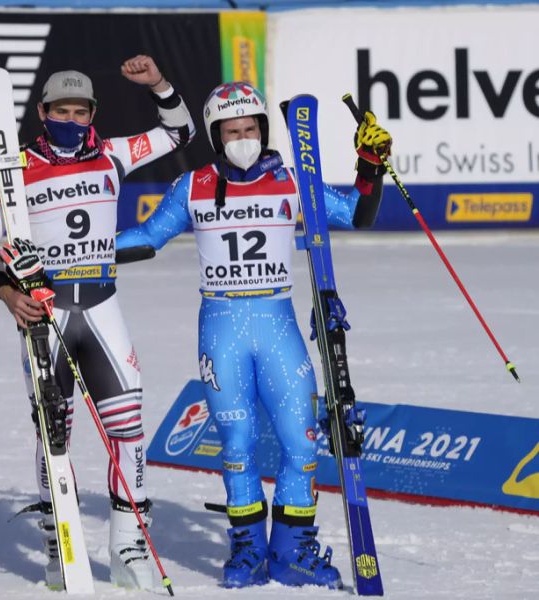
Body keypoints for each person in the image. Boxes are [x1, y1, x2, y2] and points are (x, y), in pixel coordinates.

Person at [116, 81, 391, 589]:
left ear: (263, 130)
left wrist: (370, 165)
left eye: (250, 128)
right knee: (237, 446)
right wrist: (80, 254)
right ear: (217, 136)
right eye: (230, 130)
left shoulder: (291, 180)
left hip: (277, 325)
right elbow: (147, 238)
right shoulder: (194, 185)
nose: (242, 137)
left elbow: (357, 213)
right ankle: (247, 552)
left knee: (301, 442)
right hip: (221, 329)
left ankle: (292, 551)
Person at [0, 55, 195, 589]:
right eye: (61, 111)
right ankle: (60, 545)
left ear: (92, 114)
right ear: (42, 111)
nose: (71, 121)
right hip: (43, 314)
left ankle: (128, 547)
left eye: (81, 111)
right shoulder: (12, 169)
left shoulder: (113, 155)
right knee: (54, 434)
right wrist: (7, 292)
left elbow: (180, 131)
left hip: (100, 307)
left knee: (129, 428)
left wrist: (159, 85)